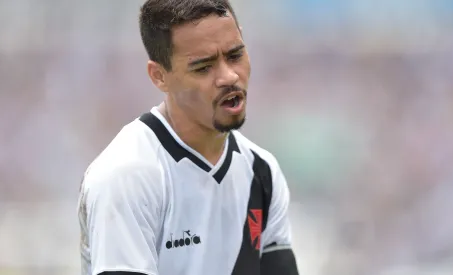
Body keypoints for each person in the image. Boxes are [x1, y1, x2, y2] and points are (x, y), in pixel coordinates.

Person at [78, 0, 299, 274]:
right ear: (159, 76)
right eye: (203, 67)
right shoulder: (127, 176)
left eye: (234, 55)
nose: (229, 76)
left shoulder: (262, 172)